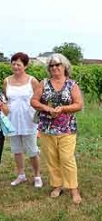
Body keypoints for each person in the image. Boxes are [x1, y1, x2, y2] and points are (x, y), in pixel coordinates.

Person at [31, 53, 83, 204]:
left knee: (67, 159)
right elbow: (34, 101)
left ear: (64, 66)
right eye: (51, 65)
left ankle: (73, 189)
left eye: (57, 65)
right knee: (52, 159)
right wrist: (46, 108)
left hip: (67, 129)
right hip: (47, 129)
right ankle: (57, 185)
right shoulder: (44, 83)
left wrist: (63, 109)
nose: (54, 68)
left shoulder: (72, 85)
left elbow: (78, 104)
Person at [4, 52, 43, 188]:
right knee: (16, 150)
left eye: (19, 64)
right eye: (13, 63)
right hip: (12, 121)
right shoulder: (7, 81)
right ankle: (21, 175)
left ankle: (37, 175)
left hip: (29, 120)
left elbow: (40, 99)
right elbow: (6, 101)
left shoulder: (32, 81)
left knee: (32, 150)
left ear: (25, 66)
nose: (15, 66)